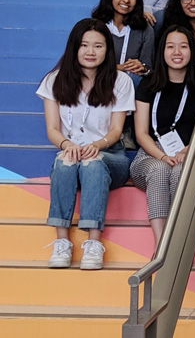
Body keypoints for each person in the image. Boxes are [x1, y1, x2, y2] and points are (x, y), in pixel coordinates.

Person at [38, 18, 135, 270]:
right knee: (64, 161)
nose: (90, 52)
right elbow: (52, 129)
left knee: (92, 162)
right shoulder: (54, 80)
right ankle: (62, 242)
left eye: (98, 46)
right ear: (74, 47)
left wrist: (98, 145)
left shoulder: (120, 81)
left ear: (107, 49)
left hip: (110, 156)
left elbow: (116, 130)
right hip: (72, 150)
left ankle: (93, 242)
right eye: (84, 45)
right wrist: (66, 144)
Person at [130, 26, 195, 244]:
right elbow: (141, 133)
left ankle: (179, 240)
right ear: (162, 51)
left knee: (181, 171)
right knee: (160, 170)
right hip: (150, 155)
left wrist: (187, 150)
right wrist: (162, 156)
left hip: (188, 154)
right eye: (170, 47)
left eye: (183, 46)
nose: (177, 52)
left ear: (192, 51)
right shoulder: (148, 84)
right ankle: (161, 245)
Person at [92, 0, 155, 88]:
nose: (126, 0)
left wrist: (141, 67)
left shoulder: (145, 29)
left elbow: (149, 69)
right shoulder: (95, 26)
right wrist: (119, 67)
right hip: (99, 81)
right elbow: (88, 64)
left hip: (130, 84)